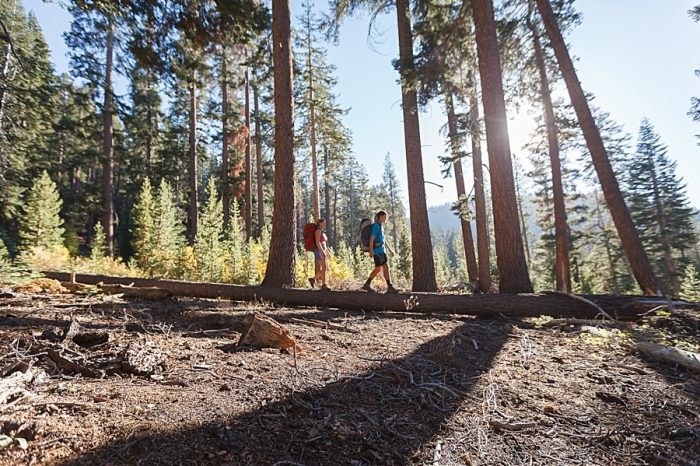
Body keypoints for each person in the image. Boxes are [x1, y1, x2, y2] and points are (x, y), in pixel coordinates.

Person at [362, 211, 398, 293]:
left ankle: (367, 285)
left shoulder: (380, 226)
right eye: (385, 216)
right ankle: (390, 287)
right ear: (381, 216)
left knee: (379, 268)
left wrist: (390, 249)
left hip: (381, 250)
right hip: (378, 251)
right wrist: (371, 251)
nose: (386, 218)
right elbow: (372, 238)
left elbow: (384, 240)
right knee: (384, 267)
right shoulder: (376, 226)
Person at [309, 219, 331, 291]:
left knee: (325, 268)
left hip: (322, 250)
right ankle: (323, 285)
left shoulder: (322, 231)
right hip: (319, 251)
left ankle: (313, 279)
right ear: (320, 224)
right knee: (324, 267)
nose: (325, 224)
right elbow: (318, 242)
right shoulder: (318, 231)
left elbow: (324, 243)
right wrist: (322, 252)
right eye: (324, 223)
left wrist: (327, 252)